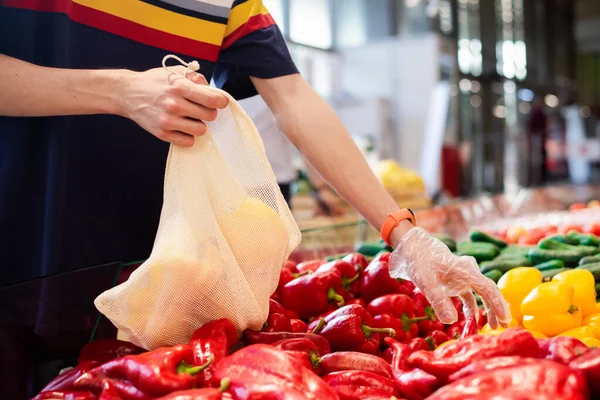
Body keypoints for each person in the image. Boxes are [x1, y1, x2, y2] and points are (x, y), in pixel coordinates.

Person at [0, 1, 509, 397]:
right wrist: (120, 91)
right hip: (18, 246)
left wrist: (404, 233)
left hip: (150, 279)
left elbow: (294, 99)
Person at [238, 94, 343, 215]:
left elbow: (304, 138)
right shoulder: (216, 81)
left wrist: (322, 188)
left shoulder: (273, 84)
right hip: (233, 185)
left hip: (274, 185)